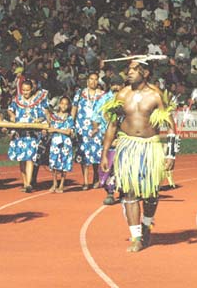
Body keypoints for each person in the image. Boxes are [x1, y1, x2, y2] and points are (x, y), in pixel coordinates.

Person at [100, 55, 176, 252]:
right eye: (129, 69)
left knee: (151, 194)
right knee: (129, 192)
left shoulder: (156, 95)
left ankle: (146, 223)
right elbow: (112, 124)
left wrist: (171, 155)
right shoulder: (122, 95)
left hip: (150, 148)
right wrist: (104, 153)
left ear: (145, 73)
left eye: (134, 69)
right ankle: (136, 237)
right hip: (127, 146)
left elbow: (171, 127)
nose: (129, 73)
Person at [7, 79, 48, 193]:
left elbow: (43, 115)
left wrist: (38, 120)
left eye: (27, 90)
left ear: (31, 89)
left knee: (30, 157)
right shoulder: (17, 100)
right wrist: (12, 116)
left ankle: (29, 183)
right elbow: (10, 110)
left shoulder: (37, 101)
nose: (25, 92)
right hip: (20, 134)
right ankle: (25, 182)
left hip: (32, 134)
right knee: (22, 159)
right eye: (23, 90)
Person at [93, 75, 125, 205]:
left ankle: (123, 191)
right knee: (109, 165)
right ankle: (110, 193)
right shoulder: (104, 99)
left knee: (123, 165)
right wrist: (99, 132)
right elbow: (95, 117)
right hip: (107, 137)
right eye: (114, 84)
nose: (116, 87)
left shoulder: (127, 98)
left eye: (118, 84)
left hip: (124, 137)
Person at [71, 72, 106, 190]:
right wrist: (71, 124)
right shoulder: (80, 94)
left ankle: (96, 177)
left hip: (97, 128)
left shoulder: (102, 95)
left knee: (96, 153)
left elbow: (105, 112)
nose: (93, 82)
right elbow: (74, 109)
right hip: (82, 128)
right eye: (91, 79)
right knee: (84, 154)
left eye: (96, 79)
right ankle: (85, 181)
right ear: (87, 81)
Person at [48, 96, 74, 193]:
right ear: (59, 104)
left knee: (64, 164)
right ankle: (54, 183)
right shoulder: (54, 117)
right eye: (62, 103)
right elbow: (50, 128)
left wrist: (56, 130)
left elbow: (68, 132)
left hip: (65, 143)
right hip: (55, 142)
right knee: (53, 163)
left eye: (66, 104)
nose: (63, 106)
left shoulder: (69, 118)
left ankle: (62, 184)